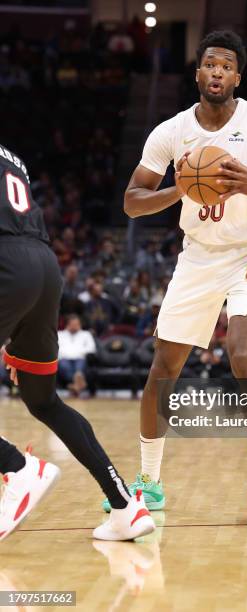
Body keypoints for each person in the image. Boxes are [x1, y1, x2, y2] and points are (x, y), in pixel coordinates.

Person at [104, 31, 247, 525]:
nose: (217, 71)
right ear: (197, 74)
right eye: (209, 64)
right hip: (198, 256)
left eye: (226, 65)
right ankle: (149, 485)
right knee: (164, 369)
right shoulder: (171, 132)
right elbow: (131, 202)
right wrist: (178, 190)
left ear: (237, 77)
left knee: (243, 355)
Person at [0, 144, 154, 541]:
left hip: (7, 263)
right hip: (43, 266)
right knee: (44, 401)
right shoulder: (13, 156)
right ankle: (125, 507)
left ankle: (17, 466)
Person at [57, 315, 96, 395]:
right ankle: (78, 383)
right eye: (73, 324)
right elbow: (55, 349)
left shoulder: (86, 334)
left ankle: (75, 385)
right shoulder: (59, 334)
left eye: (77, 324)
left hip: (80, 357)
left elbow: (92, 348)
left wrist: (78, 352)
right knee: (65, 367)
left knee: (79, 367)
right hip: (64, 358)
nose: (76, 326)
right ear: (68, 324)